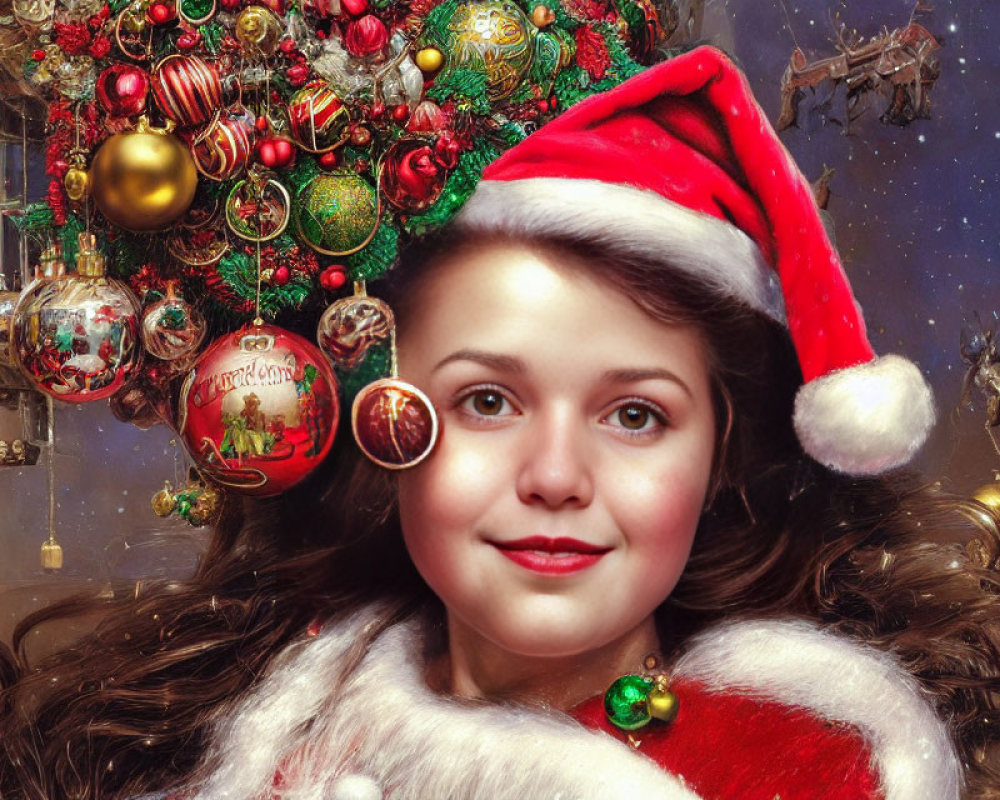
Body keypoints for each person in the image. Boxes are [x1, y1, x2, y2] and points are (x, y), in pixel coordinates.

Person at [3, 46, 1000, 800]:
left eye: (637, 414)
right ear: (376, 426)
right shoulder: (262, 734)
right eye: (486, 400)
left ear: (722, 453)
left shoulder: (817, 763)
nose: (556, 474)